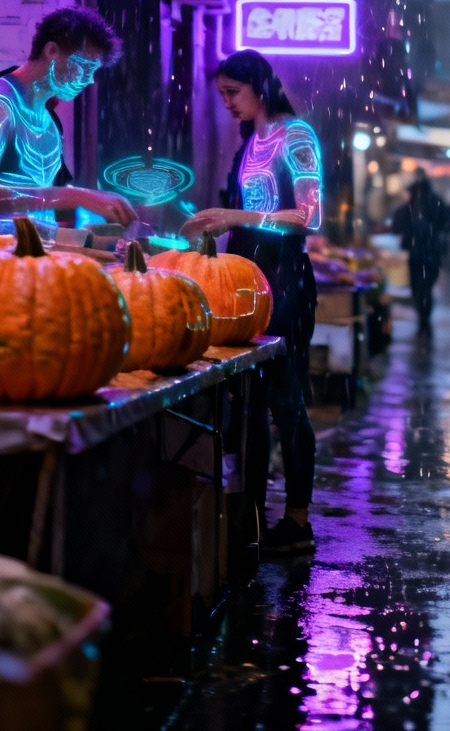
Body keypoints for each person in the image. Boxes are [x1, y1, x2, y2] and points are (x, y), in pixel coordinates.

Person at [179, 49, 322, 554]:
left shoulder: (296, 136)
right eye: (221, 95)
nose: (227, 103)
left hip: (286, 282)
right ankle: (252, 516)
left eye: (233, 93)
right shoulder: (250, 140)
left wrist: (236, 218)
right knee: (253, 405)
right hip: (251, 279)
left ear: (260, 86)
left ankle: (298, 521)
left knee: (286, 401)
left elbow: (309, 216)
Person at [0, 5, 137, 231]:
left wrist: (93, 230)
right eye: (84, 67)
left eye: (93, 72)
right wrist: (80, 197)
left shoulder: (49, 121)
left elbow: (46, 210)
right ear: (51, 51)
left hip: (31, 256)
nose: (88, 80)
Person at [389, 170, 450, 336]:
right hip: (432, 254)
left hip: (417, 254)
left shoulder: (411, 207)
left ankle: (423, 316)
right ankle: (424, 316)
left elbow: (397, 226)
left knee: (418, 286)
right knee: (426, 286)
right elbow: (449, 226)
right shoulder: (436, 203)